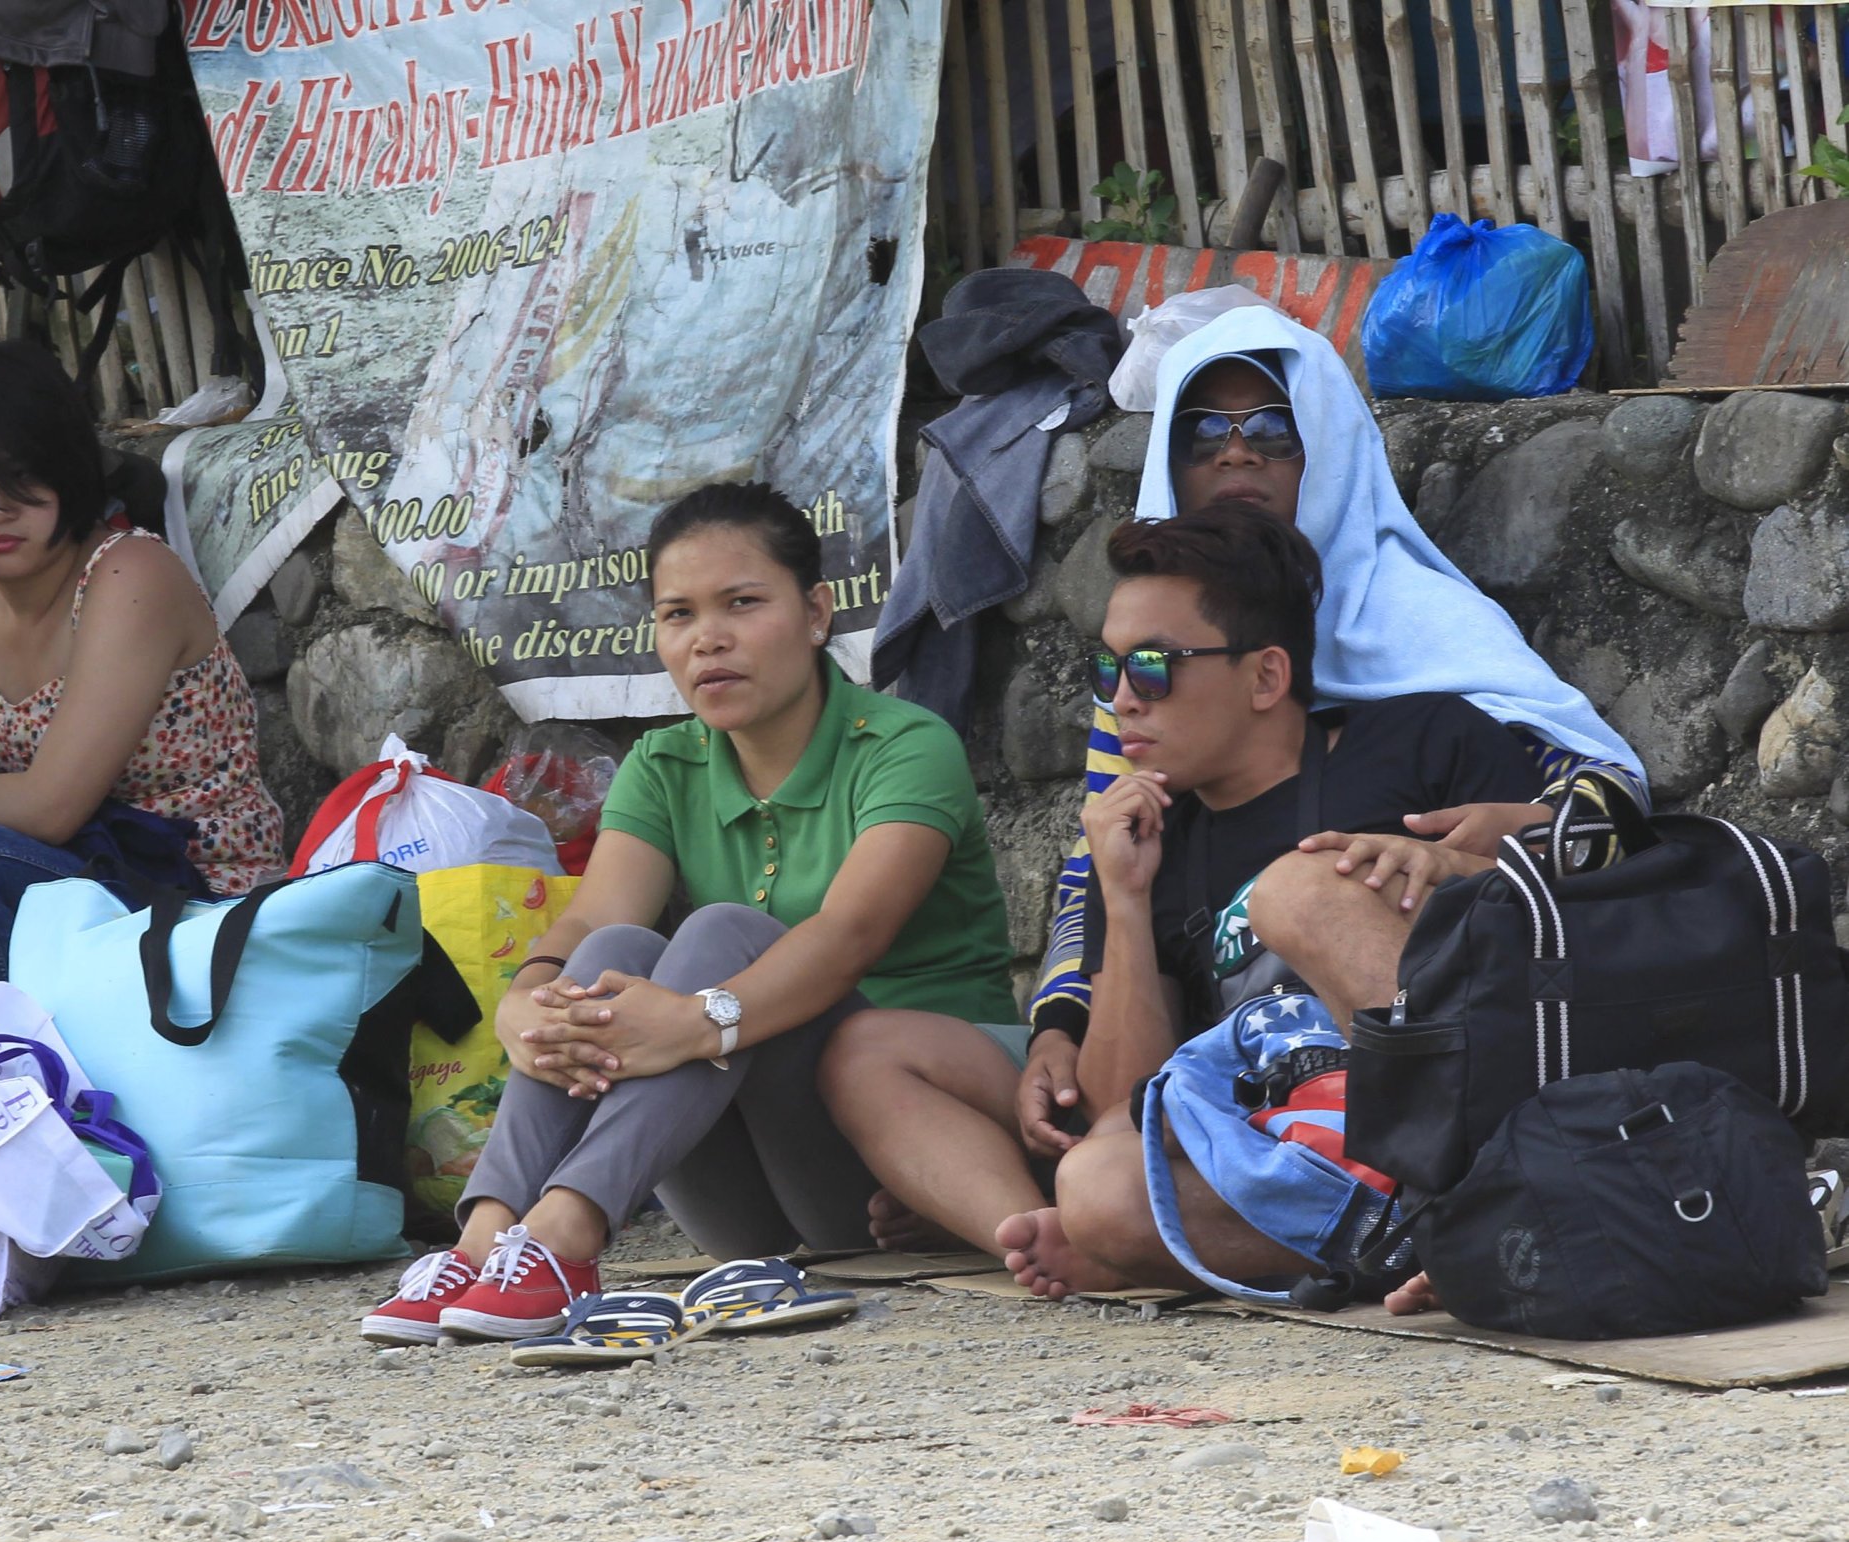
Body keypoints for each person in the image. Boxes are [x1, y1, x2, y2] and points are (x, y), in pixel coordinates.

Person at [833, 306, 1648, 1257]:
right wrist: (1065, 1006)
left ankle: (1497, 1194)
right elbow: (1094, 901)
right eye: (1199, 432)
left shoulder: (1428, 678)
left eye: (1271, 430)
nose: (1235, 457)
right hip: (1251, 1099)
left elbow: (1605, 821)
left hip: (1455, 1058)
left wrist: (1479, 852)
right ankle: (1063, 1228)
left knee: (1295, 892)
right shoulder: (1157, 710)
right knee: (1092, 1165)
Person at [359, 482, 1022, 1345]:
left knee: (722, 933)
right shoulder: (667, 765)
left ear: (817, 613)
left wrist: (698, 1021)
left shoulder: (903, 747)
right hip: (736, 1194)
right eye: (678, 614)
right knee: (616, 947)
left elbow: (849, 934)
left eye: (743, 604)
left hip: (896, 1167)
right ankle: (490, 1238)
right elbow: (591, 919)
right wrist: (529, 996)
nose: (708, 638)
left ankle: (565, 1232)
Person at [834, 504, 1550, 1297]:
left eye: (1152, 666)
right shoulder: (1148, 840)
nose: (1123, 702)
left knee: (1296, 891)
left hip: (1461, 1100)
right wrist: (1127, 900)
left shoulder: (1422, 742)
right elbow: (1122, 1103)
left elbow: (1564, 914)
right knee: (1099, 1185)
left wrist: (1447, 863)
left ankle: (1492, 1202)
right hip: (1293, 1138)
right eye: (1107, 672)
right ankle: (1404, 1243)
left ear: (1267, 676)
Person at [0, 341, 286, 987]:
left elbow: (50, 806)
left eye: (21, 474)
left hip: (195, 903)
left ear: (69, 469)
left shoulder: (128, 574)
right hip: (75, 880)